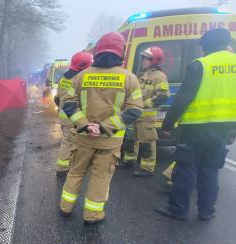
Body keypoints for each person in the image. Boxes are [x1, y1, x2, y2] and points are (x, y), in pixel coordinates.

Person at [59, 32, 143, 224]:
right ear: (120, 52)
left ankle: (65, 207)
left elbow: (68, 104)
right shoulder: (129, 78)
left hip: (83, 138)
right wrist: (104, 127)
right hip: (110, 141)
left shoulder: (81, 76)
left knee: (76, 172)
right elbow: (134, 111)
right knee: (100, 177)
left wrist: (85, 125)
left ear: (97, 52)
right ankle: (92, 215)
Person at [156, 28, 236, 221]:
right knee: (210, 169)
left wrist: (167, 124)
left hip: (196, 128)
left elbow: (183, 97)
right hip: (223, 128)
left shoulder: (201, 65)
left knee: (186, 169)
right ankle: (207, 211)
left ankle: (178, 209)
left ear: (207, 45)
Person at [119, 47, 170, 177]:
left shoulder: (160, 76)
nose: (143, 61)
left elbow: (163, 95)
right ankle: (129, 161)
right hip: (134, 114)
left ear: (154, 60)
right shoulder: (140, 75)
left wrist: (144, 104)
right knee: (130, 139)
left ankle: (147, 168)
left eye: (146, 58)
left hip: (146, 116)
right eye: (143, 58)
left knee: (147, 142)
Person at [54, 51, 93, 176]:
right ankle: (62, 169)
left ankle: (67, 165)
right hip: (73, 117)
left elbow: (57, 98)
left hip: (64, 117)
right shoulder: (80, 79)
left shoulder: (65, 77)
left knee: (69, 141)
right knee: (68, 142)